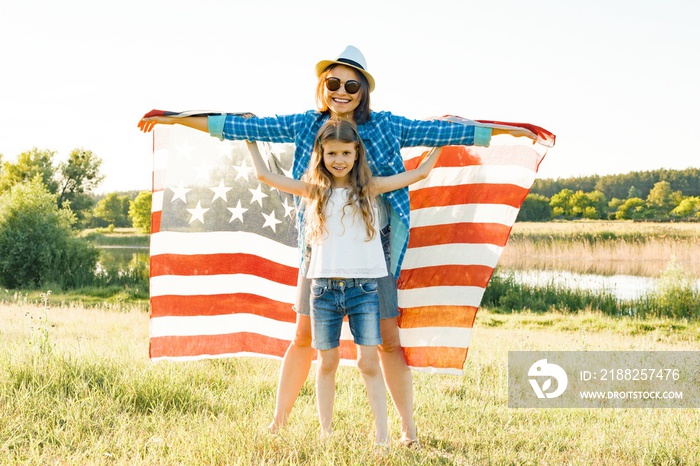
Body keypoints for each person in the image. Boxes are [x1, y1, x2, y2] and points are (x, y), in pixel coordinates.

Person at [138, 45, 536, 445]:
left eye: (351, 84)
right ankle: (279, 423)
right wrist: (172, 119)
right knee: (303, 339)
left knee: (387, 344)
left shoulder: (385, 126)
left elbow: (448, 133)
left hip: (374, 254)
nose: (341, 91)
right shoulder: (304, 125)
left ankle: (407, 431)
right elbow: (242, 128)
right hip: (319, 254)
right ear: (322, 86)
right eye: (333, 83)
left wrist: (513, 130)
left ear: (363, 89)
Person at [246, 118, 443, 444]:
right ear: (321, 155)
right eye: (331, 153)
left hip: (365, 287)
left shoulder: (369, 188)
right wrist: (250, 139)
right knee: (326, 362)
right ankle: (326, 434)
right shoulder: (315, 191)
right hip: (323, 288)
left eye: (346, 153)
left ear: (356, 154)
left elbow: (420, 173)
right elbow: (265, 176)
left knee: (368, 361)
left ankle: (384, 436)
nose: (338, 160)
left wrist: (442, 143)